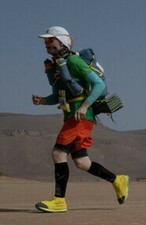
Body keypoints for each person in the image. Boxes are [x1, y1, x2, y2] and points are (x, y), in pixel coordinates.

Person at [32, 26, 128, 213]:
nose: (46, 45)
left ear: (61, 42)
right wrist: (42, 101)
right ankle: (118, 180)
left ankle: (59, 200)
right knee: (82, 162)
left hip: (80, 116)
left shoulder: (74, 61)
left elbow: (98, 85)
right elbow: (59, 96)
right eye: (45, 42)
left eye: (50, 41)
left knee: (58, 153)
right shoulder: (59, 66)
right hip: (72, 114)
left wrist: (84, 107)